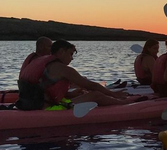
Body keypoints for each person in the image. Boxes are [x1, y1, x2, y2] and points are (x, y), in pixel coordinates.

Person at [16, 39, 144, 111]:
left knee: (85, 93)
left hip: (28, 104)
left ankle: (118, 101)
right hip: (47, 108)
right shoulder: (62, 68)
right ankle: (125, 105)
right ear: (61, 52)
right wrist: (113, 94)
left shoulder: (41, 61)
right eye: (70, 54)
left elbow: (45, 88)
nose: (72, 58)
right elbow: (90, 85)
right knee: (97, 95)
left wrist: (70, 94)